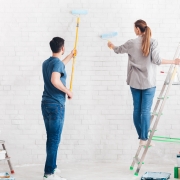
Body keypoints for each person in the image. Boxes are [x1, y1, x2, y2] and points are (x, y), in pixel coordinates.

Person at [108, 19, 180, 146]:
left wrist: (111, 45)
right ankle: (143, 138)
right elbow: (158, 61)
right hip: (149, 82)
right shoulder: (153, 42)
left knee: (137, 109)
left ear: (137, 29)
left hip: (134, 82)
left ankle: (141, 136)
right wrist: (174, 62)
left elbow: (118, 49)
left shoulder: (131, 43)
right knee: (146, 111)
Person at [41, 37, 76, 180]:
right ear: (62, 48)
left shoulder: (46, 63)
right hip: (56, 106)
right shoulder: (57, 65)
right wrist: (68, 91)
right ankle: (49, 172)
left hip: (46, 104)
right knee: (54, 139)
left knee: (51, 138)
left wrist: (70, 56)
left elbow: (59, 66)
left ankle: (52, 166)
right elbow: (55, 80)